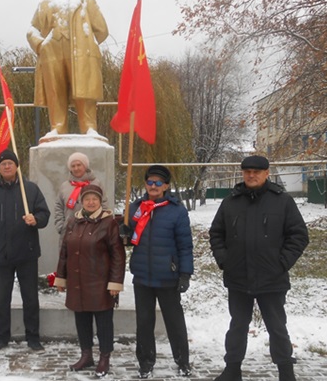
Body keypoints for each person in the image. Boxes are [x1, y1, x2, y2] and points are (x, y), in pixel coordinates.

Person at [209, 155, 309, 381]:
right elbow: (216, 233)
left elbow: (299, 236)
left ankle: (286, 371)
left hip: (271, 278)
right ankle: (232, 369)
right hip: (238, 277)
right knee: (237, 326)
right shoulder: (231, 201)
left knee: (277, 327)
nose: (251, 175)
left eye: (256, 171)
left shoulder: (282, 201)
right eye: (247, 172)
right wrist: (225, 260)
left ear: (267, 173)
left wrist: (282, 263)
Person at [0, 149, 51, 352]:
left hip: (26, 253)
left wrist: (36, 219)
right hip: (1, 256)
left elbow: (45, 213)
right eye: (3, 164)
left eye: (10, 163)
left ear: (17, 166)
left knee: (30, 298)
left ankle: (33, 337)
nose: (7, 166)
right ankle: (1, 337)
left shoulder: (30, 189)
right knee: (2, 298)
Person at [27, 0, 109, 135]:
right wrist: (41, 44)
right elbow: (32, 29)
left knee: (84, 92)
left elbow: (102, 30)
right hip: (53, 50)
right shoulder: (46, 1)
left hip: (80, 53)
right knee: (55, 91)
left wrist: (88, 45)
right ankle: (57, 127)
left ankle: (89, 128)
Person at [128, 165, 194, 378]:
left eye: (158, 183)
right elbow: (130, 239)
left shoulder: (176, 211)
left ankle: (182, 360)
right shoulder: (135, 208)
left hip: (167, 275)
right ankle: (146, 361)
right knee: (144, 322)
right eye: (150, 182)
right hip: (142, 276)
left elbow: (185, 245)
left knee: (174, 322)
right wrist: (123, 231)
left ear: (166, 186)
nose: (153, 186)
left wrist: (185, 273)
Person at [54, 184, 125, 378]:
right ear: (81, 202)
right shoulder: (73, 222)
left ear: (100, 201)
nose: (91, 202)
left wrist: (115, 282)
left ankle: (104, 357)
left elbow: (118, 255)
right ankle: (86, 355)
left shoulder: (108, 223)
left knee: (103, 323)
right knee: (82, 321)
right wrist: (61, 277)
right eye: (87, 199)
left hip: (100, 284)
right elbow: (64, 252)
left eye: (94, 199)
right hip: (78, 282)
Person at [54, 152, 106, 245]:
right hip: (69, 231)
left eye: (79, 165)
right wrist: (61, 226)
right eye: (73, 166)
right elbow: (58, 206)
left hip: (94, 232)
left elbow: (104, 204)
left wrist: (103, 226)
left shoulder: (96, 183)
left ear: (85, 166)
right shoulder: (65, 186)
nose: (76, 168)